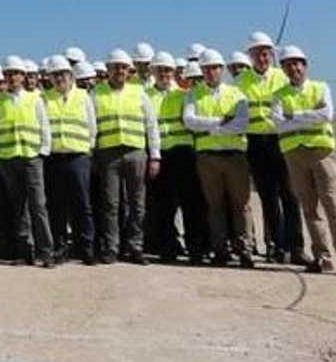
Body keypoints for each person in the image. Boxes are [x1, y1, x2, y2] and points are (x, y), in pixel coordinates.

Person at [271, 45, 336, 278]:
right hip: (294, 156)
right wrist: (309, 117)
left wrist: (295, 117)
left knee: (334, 207)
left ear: (305, 65)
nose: (293, 68)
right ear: (283, 68)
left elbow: (326, 115)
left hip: (321, 154)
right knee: (310, 210)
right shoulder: (278, 95)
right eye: (288, 64)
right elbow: (279, 123)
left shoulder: (320, 87)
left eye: (297, 63)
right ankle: (323, 257)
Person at [0, 56, 55, 268]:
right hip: (8, 160)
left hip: (31, 159)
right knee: (18, 207)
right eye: (8, 74)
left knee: (38, 206)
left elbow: (44, 127)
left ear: (23, 76)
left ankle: (46, 252)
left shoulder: (35, 99)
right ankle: (25, 253)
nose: (12, 77)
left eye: (16, 73)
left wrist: (42, 152)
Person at [237, 32, 305, 266]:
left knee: (290, 195)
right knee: (268, 197)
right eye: (257, 53)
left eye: (265, 53)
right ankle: (277, 245)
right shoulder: (241, 81)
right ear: (251, 56)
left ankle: (297, 247)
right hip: (256, 143)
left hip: (281, 141)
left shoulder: (282, 77)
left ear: (271, 54)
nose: (262, 57)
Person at [183, 52, 254, 268]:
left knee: (241, 205)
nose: (210, 72)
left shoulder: (236, 93)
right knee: (215, 207)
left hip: (235, 156)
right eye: (206, 68)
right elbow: (190, 121)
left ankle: (245, 249)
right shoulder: (193, 95)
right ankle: (220, 249)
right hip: (207, 158)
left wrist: (209, 127)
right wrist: (223, 122)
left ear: (222, 69)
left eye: (214, 68)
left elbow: (242, 123)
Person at [92, 49, 160, 265]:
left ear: (129, 71)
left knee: (137, 203)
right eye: (115, 67)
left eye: (123, 67)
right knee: (111, 204)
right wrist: (91, 154)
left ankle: (135, 247)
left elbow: (151, 126)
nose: (119, 71)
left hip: (135, 153)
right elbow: (91, 126)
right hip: (107, 155)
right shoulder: (96, 93)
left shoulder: (139, 93)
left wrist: (155, 156)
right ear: (108, 70)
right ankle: (112, 248)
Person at [145, 52, 207, 265]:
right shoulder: (145, 96)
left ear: (174, 72)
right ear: (152, 72)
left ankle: (195, 249)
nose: (163, 74)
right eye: (159, 70)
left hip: (184, 154)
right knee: (164, 205)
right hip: (160, 155)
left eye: (167, 70)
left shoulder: (185, 95)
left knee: (191, 204)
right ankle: (167, 249)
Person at [42, 56, 96, 265]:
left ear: (71, 76)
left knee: (82, 204)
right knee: (56, 206)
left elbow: (92, 128)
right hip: (54, 158)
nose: (59, 79)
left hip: (78, 156)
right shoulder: (45, 98)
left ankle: (86, 248)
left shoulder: (83, 97)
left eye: (63, 74)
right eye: (55, 75)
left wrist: (87, 151)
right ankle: (60, 247)